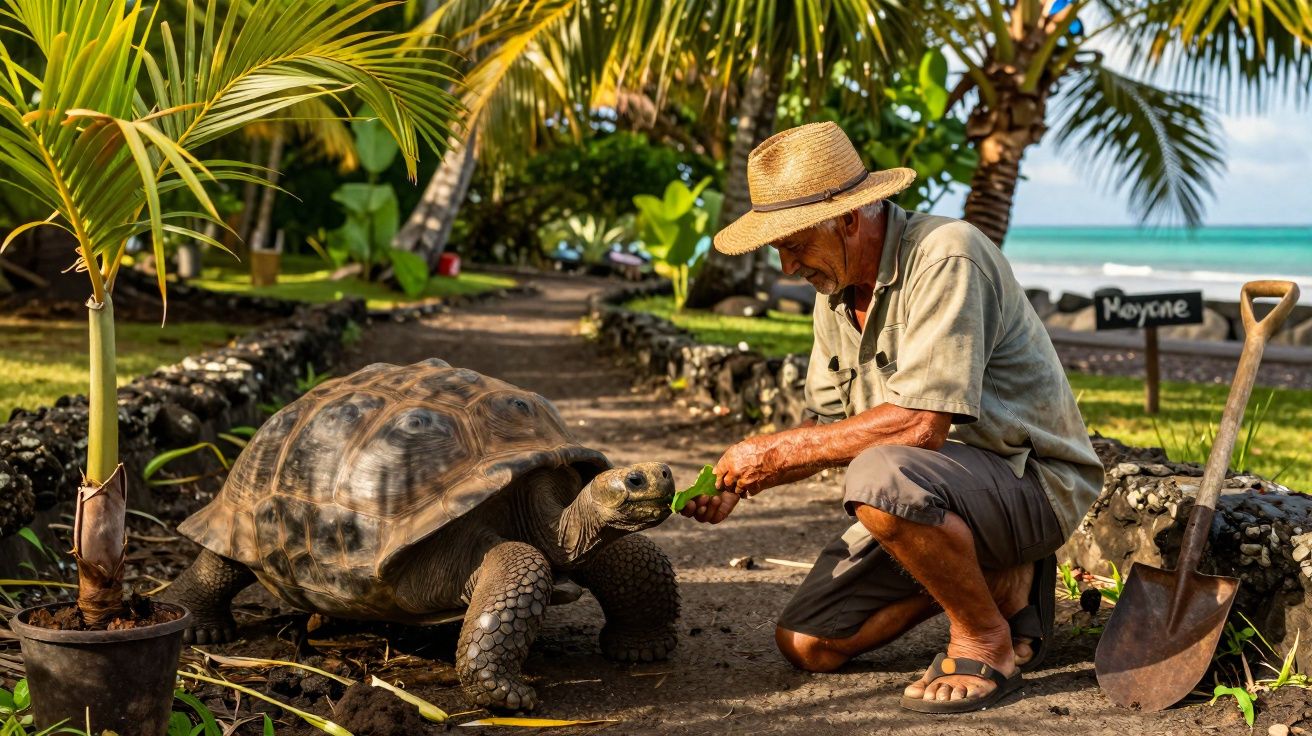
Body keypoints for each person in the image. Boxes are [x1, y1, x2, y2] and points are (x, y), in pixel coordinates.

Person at [682, 121, 1103, 713]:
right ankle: (1003, 582)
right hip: (930, 492)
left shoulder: (947, 254)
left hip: (1029, 484)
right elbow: (826, 429)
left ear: (848, 218)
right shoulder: (835, 293)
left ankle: (985, 637)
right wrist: (745, 481)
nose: (787, 267)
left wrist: (775, 453)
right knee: (808, 643)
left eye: (795, 243)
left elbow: (918, 427)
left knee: (879, 478)